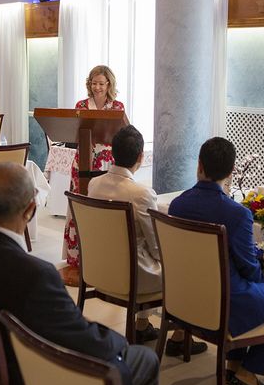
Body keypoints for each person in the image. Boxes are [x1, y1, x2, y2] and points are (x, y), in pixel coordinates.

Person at [0, 163, 159, 385]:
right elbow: (82, 339)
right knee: (144, 359)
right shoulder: (35, 274)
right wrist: (120, 342)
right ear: (30, 210)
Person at [168, 137, 264, 385]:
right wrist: (263, 278)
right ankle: (246, 373)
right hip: (223, 305)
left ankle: (234, 366)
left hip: (184, 300)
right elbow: (247, 265)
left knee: (254, 293)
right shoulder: (237, 214)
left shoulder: (177, 204)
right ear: (231, 173)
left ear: (199, 166)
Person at [88, 125, 208, 354]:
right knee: (187, 268)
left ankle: (142, 325)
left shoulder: (94, 184)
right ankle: (180, 336)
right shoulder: (141, 194)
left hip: (99, 271)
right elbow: (156, 246)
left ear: (113, 152)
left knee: (143, 254)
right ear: (141, 157)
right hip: (132, 276)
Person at [62, 65, 125, 286]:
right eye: (94, 83)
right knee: (80, 205)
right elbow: (74, 132)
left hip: (107, 163)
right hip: (83, 161)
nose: (97, 87)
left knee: (102, 206)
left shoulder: (117, 106)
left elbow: (121, 134)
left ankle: (103, 257)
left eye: (101, 83)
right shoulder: (81, 106)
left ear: (109, 84)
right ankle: (77, 259)